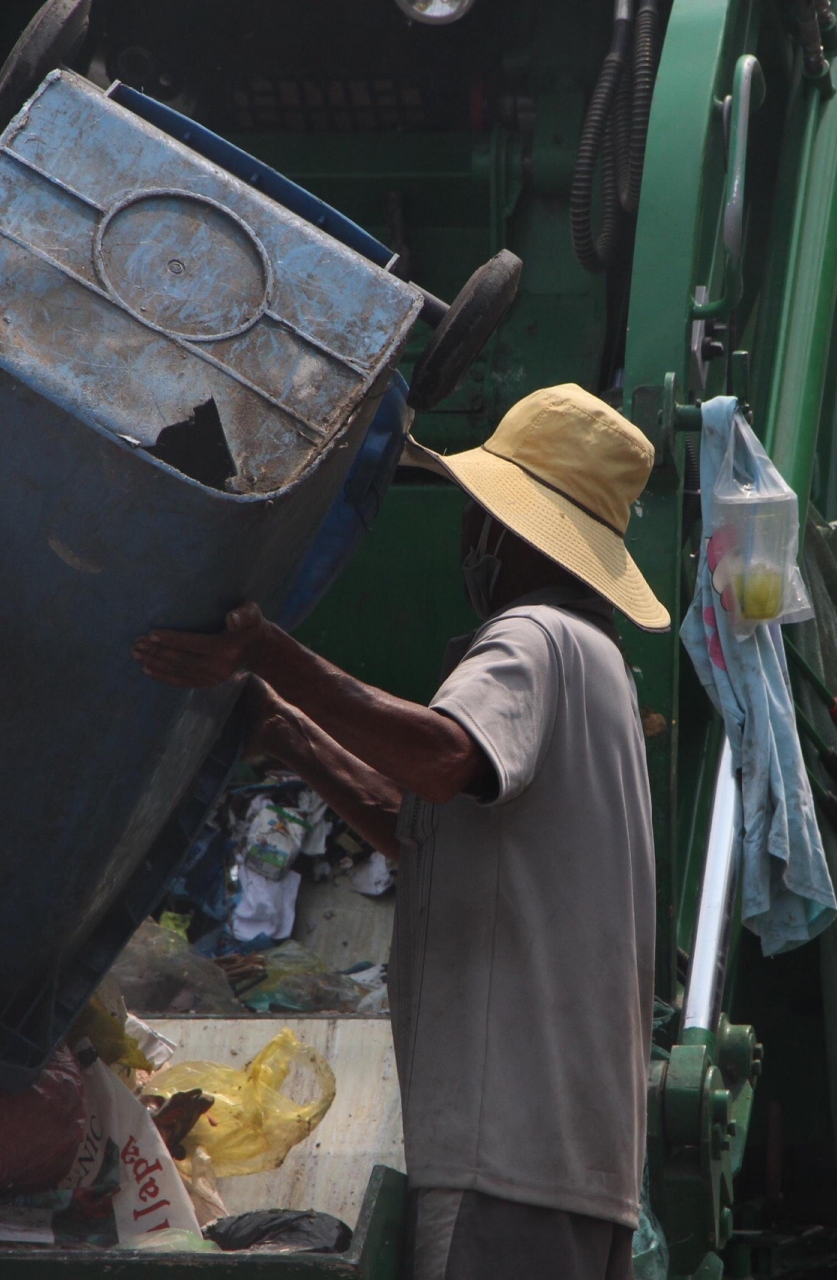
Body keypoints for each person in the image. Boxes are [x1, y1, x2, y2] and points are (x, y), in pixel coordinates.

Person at [134, 384, 669, 1280]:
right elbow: (418, 828)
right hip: (577, 1165)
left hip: (504, 1155)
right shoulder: (602, 669)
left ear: (511, 533)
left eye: (478, 515)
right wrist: (282, 729)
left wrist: (274, 654)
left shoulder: (532, 637)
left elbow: (441, 758)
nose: (468, 536)